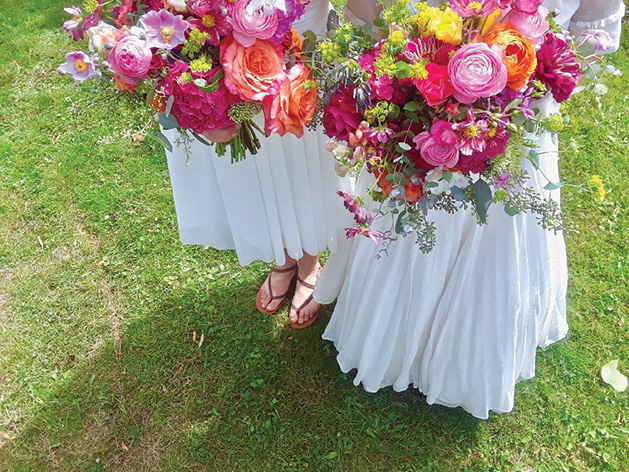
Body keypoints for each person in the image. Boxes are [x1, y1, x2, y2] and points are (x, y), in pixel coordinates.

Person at [315, 0, 625, 418]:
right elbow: (374, 18)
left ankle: (468, 351)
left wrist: (528, 83)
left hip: (521, 109)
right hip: (428, 79)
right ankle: (399, 328)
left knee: (496, 217)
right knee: (422, 195)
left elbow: (590, 33)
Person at [163, 0, 350, 329]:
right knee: (265, 167)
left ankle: (309, 262)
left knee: (305, 160)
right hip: (227, 44)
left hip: (304, 47)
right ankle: (285, 256)